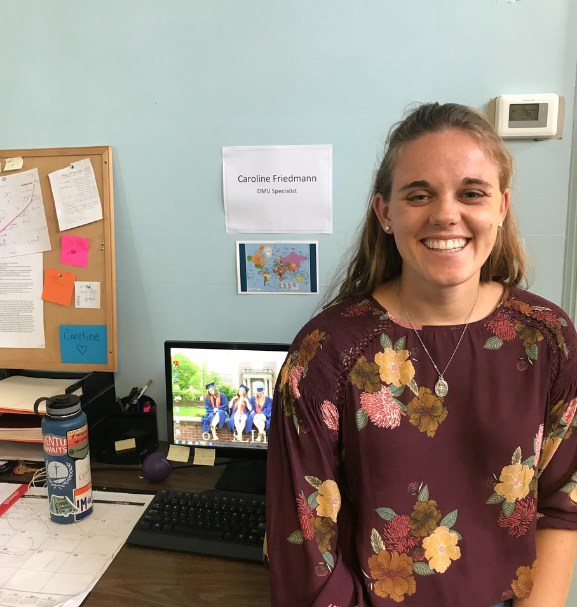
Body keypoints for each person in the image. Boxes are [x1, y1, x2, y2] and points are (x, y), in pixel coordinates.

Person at [266, 103, 577, 607]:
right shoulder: (325, 355)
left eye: (472, 193)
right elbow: (305, 547)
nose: (446, 214)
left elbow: (564, 499)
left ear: (500, 207)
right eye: (419, 195)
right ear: (385, 212)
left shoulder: (549, 340)